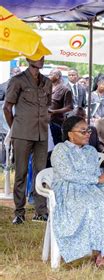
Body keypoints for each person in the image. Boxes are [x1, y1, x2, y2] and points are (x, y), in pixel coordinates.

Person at [50, 116, 104, 269]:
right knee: (95, 206)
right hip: (69, 192)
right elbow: (70, 175)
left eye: (88, 131)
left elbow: (97, 176)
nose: (87, 134)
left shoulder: (91, 151)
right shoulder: (60, 150)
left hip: (90, 190)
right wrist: (98, 179)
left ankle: (102, 253)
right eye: (82, 131)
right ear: (70, 134)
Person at [3, 57, 51, 224]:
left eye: (43, 57)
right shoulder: (18, 81)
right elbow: (7, 108)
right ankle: (19, 212)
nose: (41, 60)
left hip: (42, 133)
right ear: (28, 58)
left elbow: (48, 106)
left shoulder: (47, 82)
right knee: (21, 173)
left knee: (41, 172)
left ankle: (41, 211)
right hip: (22, 133)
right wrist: (15, 128)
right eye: (37, 56)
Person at [49, 68, 73, 145]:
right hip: (45, 122)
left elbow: (69, 107)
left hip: (56, 123)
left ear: (57, 76)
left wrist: (54, 111)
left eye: (51, 74)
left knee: (56, 144)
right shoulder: (47, 88)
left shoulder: (65, 90)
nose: (49, 76)